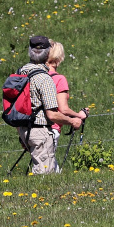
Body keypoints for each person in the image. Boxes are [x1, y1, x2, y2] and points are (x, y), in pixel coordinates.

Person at [16, 36, 83, 174]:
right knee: (45, 176)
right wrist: (73, 121)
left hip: (23, 128)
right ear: (47, 54)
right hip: (41, 129)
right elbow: (53, 113)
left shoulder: (21, 72)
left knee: (52, 172)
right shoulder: (45, 78)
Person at [45, 40, 88, 171]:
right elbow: (63, 108)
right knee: (48, 169)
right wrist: (79, 115)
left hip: (32, 129)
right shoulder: (58, 79)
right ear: (58, 58)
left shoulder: (37, 76)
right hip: (52, 127)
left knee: (45, 165)